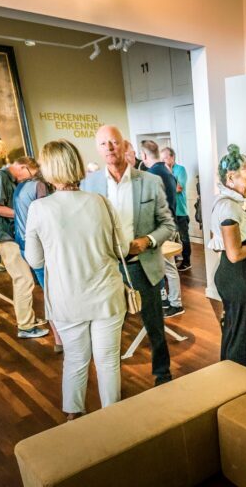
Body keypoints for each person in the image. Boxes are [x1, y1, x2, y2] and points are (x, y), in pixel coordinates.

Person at [25, 139, 129, 420]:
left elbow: (34, 260)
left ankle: (74, 417)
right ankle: (113, 420)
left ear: (48, 169)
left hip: (67, 297)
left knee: (75, 360)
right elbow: (124, 248)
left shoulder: (39, 209)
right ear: (76, 164)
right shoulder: (101, 202)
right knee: (108, 361)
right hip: (106, 293)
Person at [82, 125, 176, 386]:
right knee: (109, 330)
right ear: (98, 150)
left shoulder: (149, 181)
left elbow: (168, 224)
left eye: (114, 142)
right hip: (108, 269)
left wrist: (147, 241)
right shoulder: (89, 185)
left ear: (125, 146)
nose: (109, 148)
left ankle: (163, 376)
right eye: (103, 144)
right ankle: (109, 383)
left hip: (142, 266)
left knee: (155, 327)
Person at [208, 144, 246, 370]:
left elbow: (222, 246)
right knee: (244, 333)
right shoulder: (230, 209)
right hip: (237, 277)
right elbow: (234, 254)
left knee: (235, 329)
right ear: (231, 178)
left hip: (235, 275)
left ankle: (230, 377)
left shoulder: (227, 204)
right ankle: (242, 382)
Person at [0, 157, 47, 339]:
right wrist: (25, 215)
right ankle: (25, 326)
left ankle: (28, 319)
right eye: (29, 175)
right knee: (24, 279)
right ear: (22, 167)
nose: (27, 180)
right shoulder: (0, 177)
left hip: (10, 234)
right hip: (4, 235)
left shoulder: (7, 179)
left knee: (22, 278)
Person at [13, 165, 63, 353]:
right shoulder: (40, 187)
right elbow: (45, 215)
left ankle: (59, 339)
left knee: (48, 292)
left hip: (25, 242)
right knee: (54, 292)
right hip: (41, 246)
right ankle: (60, 339)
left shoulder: (21, 186)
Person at [140, 140, 183, 317]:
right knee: (166, 266)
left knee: (168, 266)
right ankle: (168, 299)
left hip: (162, 228)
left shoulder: (151, 175)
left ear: (143, 155)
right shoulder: (167, 171)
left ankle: (176, 303)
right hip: (170, 224)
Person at [161, 147, 192, 271]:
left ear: (172, 157)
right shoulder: (162, 171)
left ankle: (187, 261)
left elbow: (179, 188)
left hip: (180, 211)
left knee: (184, 237)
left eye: (165, 157)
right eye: (161, 158)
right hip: (168, 211)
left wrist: (168, 175)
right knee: (169, 237)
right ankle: (173, 260)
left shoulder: (181, 169)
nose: (163, 160)